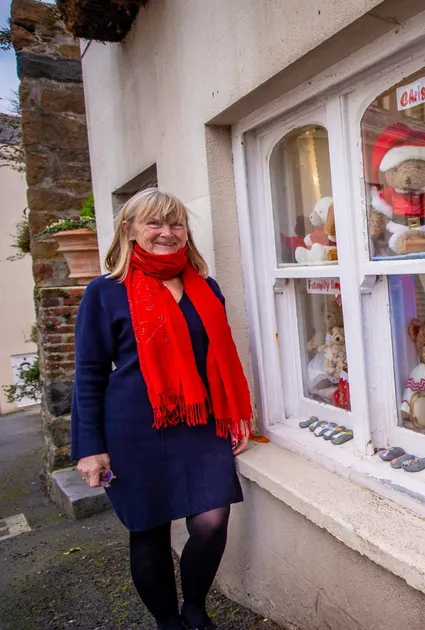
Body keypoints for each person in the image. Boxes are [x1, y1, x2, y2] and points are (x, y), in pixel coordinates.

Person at [71, 189, 253, 630]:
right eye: (154, 224)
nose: (167, 233)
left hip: (200, 422)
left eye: (175, 224)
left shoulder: (205, 288)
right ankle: (168, 621)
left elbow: (219, 360)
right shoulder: (105, 292)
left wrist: (234, 415)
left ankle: (194, 608)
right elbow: (89, 373)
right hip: (132, 430)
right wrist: (90, 448)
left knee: (211, 522)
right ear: (130, 231)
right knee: (149, 530)